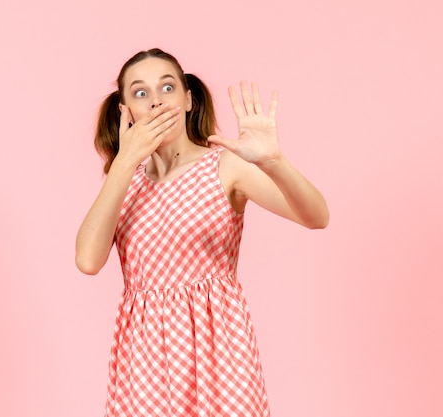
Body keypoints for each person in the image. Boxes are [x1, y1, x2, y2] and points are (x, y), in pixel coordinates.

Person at [76, 48, 329, 417]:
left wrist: (275, 162)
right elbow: (87, 260)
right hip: (145, 361)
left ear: (188, 98)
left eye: (167, 87)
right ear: (125, 110)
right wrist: (126, 161)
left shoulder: (224, 166)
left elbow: (316, 216)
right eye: (141, 93)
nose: (157, 101)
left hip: (219, 353)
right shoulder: (124, 184)